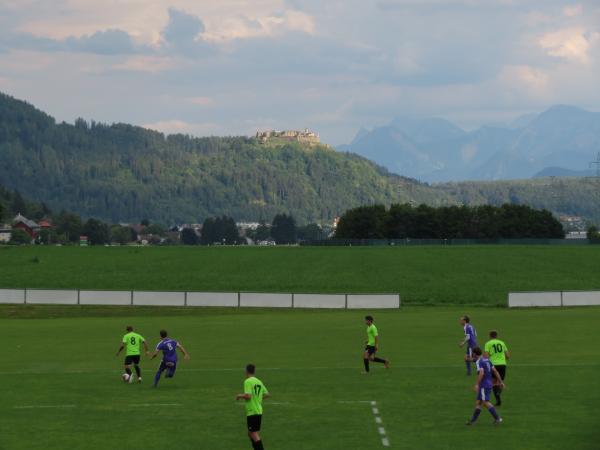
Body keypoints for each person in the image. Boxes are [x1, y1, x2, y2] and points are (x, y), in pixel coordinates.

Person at [466, 347, 504, 426]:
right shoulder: (487, 360)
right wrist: (501, 381)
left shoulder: (479, 362)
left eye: (473, 353)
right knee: (479, 402)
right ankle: (473, 421)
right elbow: (495, 371)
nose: (472, 354)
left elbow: (481, 373)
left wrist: (477, 384)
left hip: (484, 385)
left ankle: (497, 418)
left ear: (475, 354)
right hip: (489, 383)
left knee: (485, 402)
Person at [236, 364, 270, 450]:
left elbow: (248, 396)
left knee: (254, 433)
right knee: (250, 433)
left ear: (247, 371)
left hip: (252, 411)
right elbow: (267, 394)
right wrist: (258, 399)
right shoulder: (259, 381)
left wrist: (240, 395)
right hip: (258, 410)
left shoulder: (247, 381)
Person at [484, 330, 510, 406]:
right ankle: (498, 394)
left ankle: (496, 399)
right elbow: (508, 356)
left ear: (490, 336)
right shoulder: (502, 343)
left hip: (493, 365)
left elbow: (486, 356)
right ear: (496, 336)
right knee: (500, 382)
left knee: (494, 382)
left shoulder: (488, 343)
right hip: (502, 364)